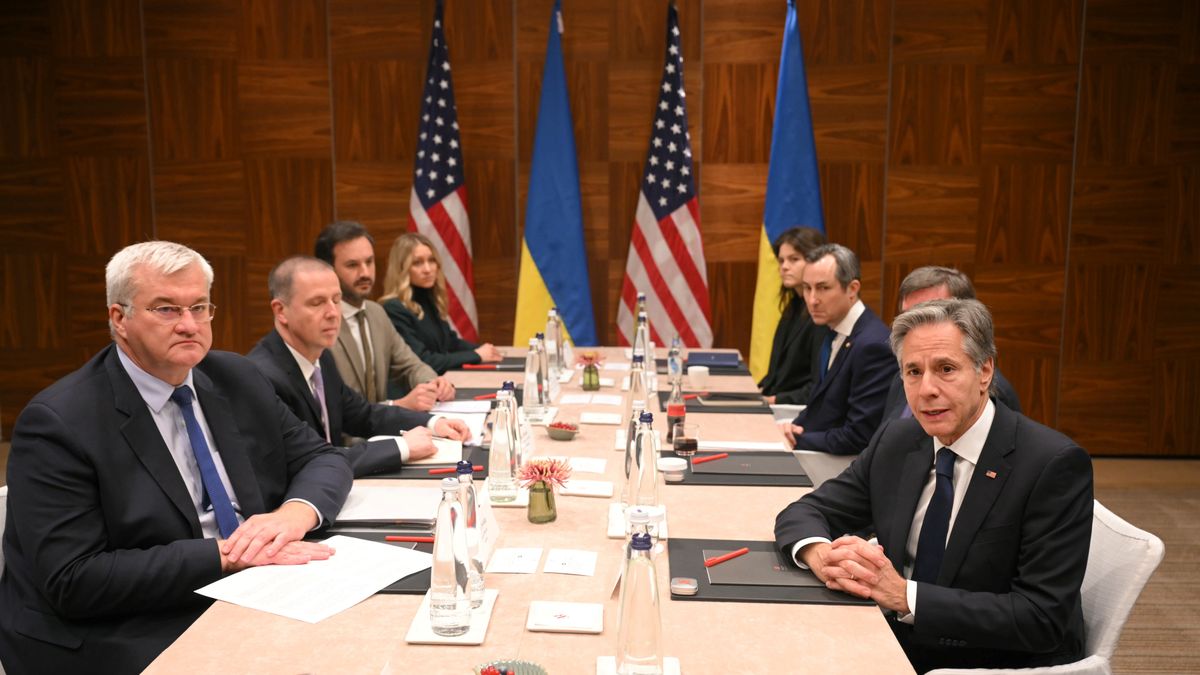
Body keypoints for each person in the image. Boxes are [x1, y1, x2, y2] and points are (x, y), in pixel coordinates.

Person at [0, 241, 353, 674]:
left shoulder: (236, 377)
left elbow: (323, 458)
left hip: (251, 589)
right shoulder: (59, 422)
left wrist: (292, 516)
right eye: (166, 309)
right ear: (120, 318)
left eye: (200, 307)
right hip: (120, 626)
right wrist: (228, 556)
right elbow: (74, 580)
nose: (189, 325)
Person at [775, 299, 1093, 673]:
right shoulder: (899, 439)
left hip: (989, 661)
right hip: (893, 639)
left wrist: (905, 596)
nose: (926, 389)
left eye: (945, 369)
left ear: (985, 370)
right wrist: (821, 555)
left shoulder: (1051, 465)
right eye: (913, 371)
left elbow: (1041, 618)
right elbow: (807, 511)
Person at [247, 257, 470, 478]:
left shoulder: (321, 357)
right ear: (280, 311)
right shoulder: (263, 377)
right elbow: (311, 459)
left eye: (336, 300)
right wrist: (401, 447)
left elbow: (363, 415)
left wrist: (433, 423)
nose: (333, 313)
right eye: (317, 303)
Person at [314, 221, 456, 407]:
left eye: (369, 262)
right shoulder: (319, 323)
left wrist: (432, 383)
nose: (365, 273)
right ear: (328, 270)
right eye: (352, 265)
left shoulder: (376, 313)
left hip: (381, 429)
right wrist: (397, 405)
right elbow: (339, 409)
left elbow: (410, 365)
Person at [781, 243, 896, 455]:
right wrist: (790, 428)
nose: (813, 300)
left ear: (852, 289)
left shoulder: (872, 346)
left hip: (836, 467)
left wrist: (797, 439)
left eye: (823, 288)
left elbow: (859, 436)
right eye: (807, 288)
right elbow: (821, 406)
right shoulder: (833, 328)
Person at [882, 266, 1021, 421]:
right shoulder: (903, 376)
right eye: (908, 315)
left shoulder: (993, 393)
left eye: (946, 369)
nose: (925, 389)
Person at [380, 232, 503, 374]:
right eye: (417, 263)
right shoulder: (393, 308)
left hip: (440, 382)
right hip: (415, 391)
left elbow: (451, 343)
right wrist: (477, 355)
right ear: (402, 268)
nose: (428, 269)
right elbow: (423, 360)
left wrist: (485, 350)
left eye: (431, 260)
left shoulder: (428, 298)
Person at [760, 226, 826, 405]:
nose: (784, 267)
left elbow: (818, 384)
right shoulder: (794, 304)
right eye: (781, 261)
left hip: (793, 411)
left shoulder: (820, 311)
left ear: (814, 261)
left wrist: (772, 399)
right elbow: (778, 372)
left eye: (794, 259)